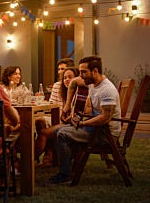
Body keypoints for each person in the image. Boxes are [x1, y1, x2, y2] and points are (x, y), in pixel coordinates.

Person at [46, 56, 121, 184]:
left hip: (104, 134)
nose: (81, 76)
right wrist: (67, 105)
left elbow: (105, 118)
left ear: (95, 71)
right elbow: (74, 82)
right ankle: (69, 165)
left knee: (62, 134)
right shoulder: (92, 82)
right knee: (56, 130)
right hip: (94, 128)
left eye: (84, 72)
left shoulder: (107, 90)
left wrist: (82, 123)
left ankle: (65, 174)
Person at [35, 67, 79, 165]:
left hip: (74, 124)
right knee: (40, 121)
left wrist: (68, 117)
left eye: (70, 77)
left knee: (43, 133)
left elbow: (78, 113)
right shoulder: (63, 91)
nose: (67, 80)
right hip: (65, 121)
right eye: (65, 78)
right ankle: (49, 155)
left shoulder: (79, 93)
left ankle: (27, 162)